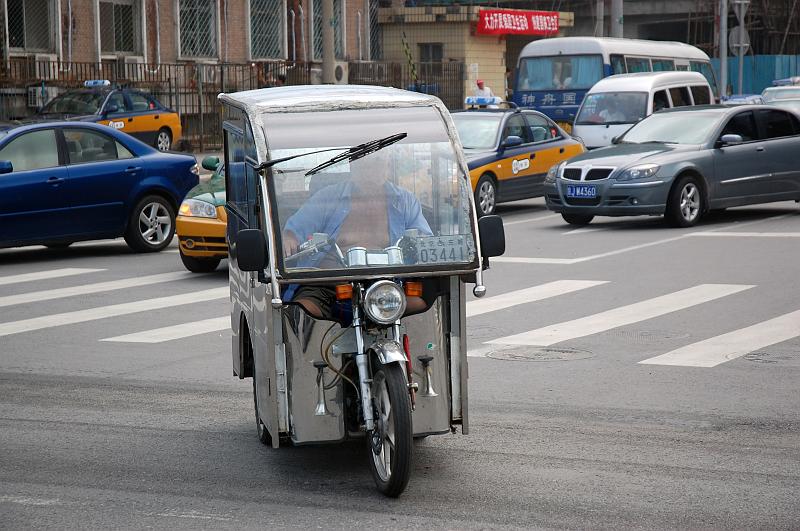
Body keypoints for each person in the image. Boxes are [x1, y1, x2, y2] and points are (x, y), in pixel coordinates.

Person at [282, 150, 433, 319]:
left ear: (388, 165)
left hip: (388, 286)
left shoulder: (405, 201)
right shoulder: (328, 197)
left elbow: (425, 241)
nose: (371, 168)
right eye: (365, 162)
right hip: (328, 286)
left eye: (377, 161)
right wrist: (290, 237)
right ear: (352, 165)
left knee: (419, 306)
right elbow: (294, 229)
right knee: (304, 310)